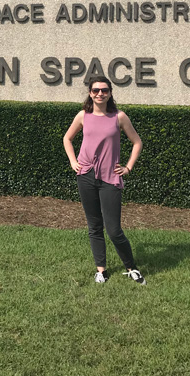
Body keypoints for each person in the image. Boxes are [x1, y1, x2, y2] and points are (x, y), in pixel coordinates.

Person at [63, 76, 145, 284]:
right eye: (96, 90)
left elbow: (137, 142)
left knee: (114, 230)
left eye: (104, 90)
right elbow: (67, 138)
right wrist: (74, 161)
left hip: (110, 177)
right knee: (94, 226)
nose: (100, 94)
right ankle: (101, 270)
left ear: (110, 93)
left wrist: (128, 167)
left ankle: (131, 267)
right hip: (86, 176)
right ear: (90, 93)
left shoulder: (119, 117)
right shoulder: (83, 115)